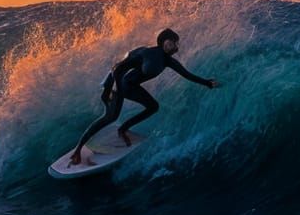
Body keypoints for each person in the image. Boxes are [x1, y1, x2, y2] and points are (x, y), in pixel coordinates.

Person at [70, 28, 219, 165]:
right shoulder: (147, 52)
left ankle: (123, 129)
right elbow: (118, 67)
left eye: (175, 42)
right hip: (121, 84)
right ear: (163, 41)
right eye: (171, 41)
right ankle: (78, 149)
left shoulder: (167, 61)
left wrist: (207, 83)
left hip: (132, 87)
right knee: (110, 117)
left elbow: (186, 74)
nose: (174, 44)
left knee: (153, 107)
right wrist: (109, 90)